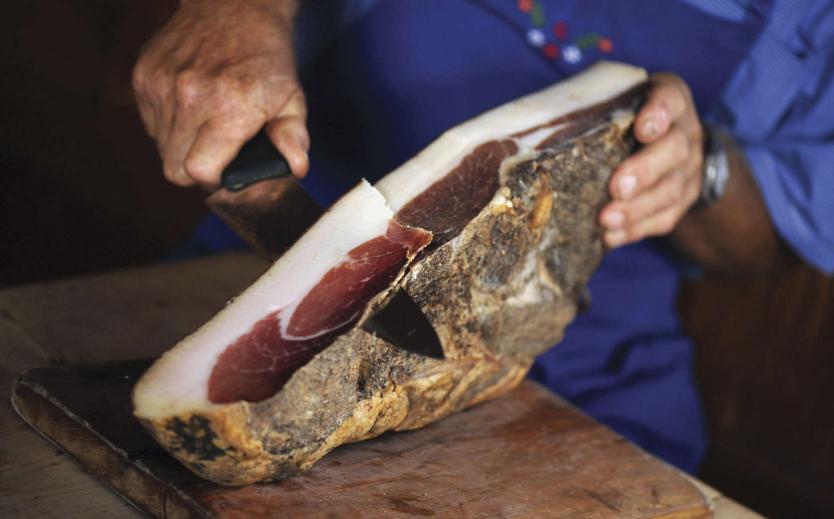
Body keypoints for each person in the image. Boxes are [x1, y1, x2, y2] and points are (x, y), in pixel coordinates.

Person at [132, 0, 834, 473]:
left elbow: (775, 235)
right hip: (259, 277)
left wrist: (703, 169)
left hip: (591, 362)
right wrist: (239, 9)